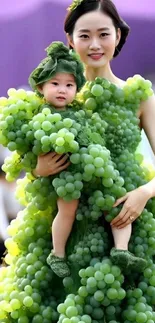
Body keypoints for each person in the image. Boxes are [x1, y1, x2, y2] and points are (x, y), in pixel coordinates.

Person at [33, 0, 155, 271]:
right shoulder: (56, 95)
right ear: (70, 39)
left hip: (124, 219)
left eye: (103, 34)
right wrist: (37, 168)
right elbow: (29, 152)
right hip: (63, 226)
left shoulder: (138, 96)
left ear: (118, 35)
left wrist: (145, 193)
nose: (95, 45)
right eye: (85, 36)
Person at [29, 41, 86, 277]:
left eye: (69, 85)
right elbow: (30, 149)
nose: (62, 90)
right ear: (41, 87)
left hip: (83, 172)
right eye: (55, 83)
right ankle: (58, 252)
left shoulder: (79, 113)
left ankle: (121, 247)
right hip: (64, 176)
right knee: (67, 209)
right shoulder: (41, 116)